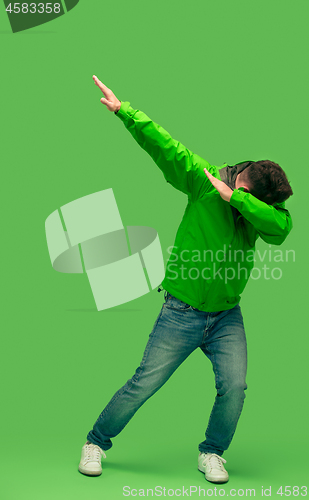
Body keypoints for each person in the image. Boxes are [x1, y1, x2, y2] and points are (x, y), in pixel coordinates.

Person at [78, 75, 293, 483]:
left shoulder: (257, 206)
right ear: (243, 177)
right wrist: (126, 112)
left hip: (227, 315)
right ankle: (95, 442)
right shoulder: (202, 179)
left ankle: (212, 452)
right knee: (144, 384)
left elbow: (281, 230)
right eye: (247, 196)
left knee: (236, 386)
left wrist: (240, 201)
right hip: (182, 311)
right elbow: (165, 146)